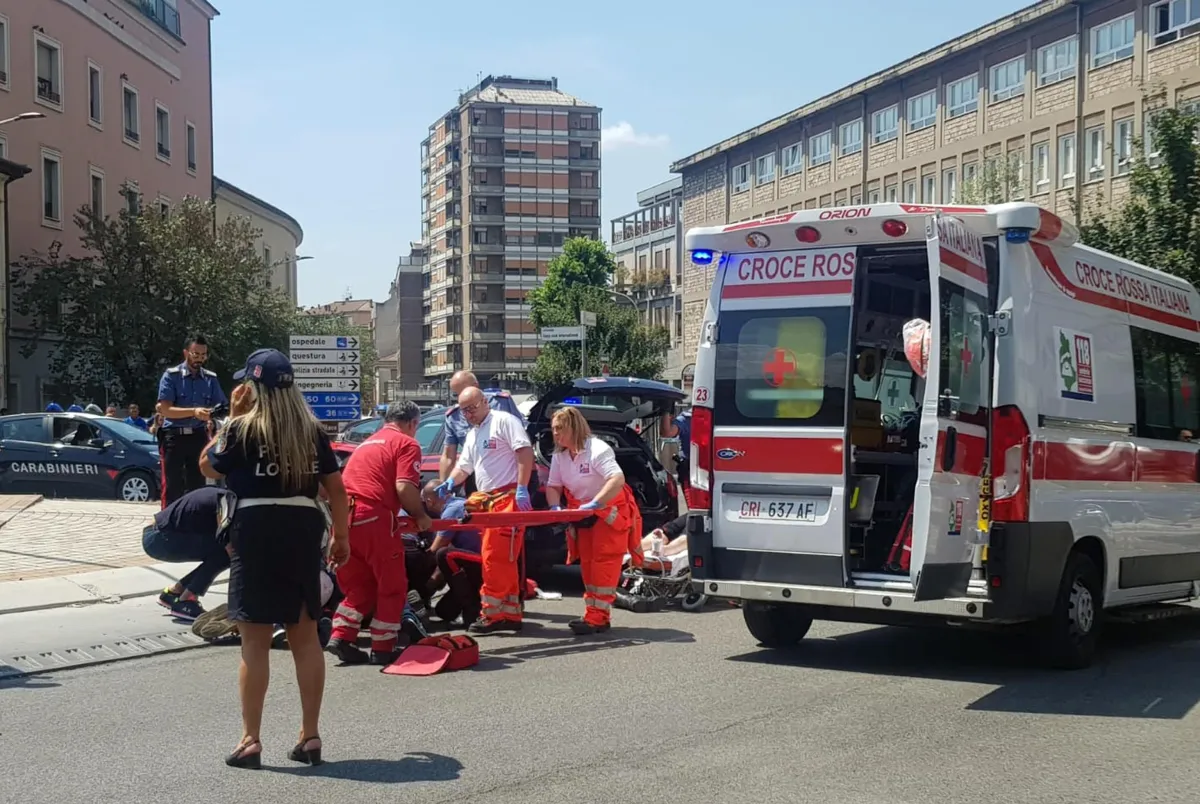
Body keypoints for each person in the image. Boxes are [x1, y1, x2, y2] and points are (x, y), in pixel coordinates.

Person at [199, 348, 349, 770]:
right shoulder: (312, 430)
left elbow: (208, 468)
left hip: (255, 529)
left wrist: (229, 417)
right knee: (304, 636)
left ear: (253, 386)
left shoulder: (241, 429)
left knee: (255, 641)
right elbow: (337, 490)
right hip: (302, 528)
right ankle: (311, 735)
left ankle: (250, 740)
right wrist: (342, 537)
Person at [327, 400, 432, 666]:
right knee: (392, 585)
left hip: (345, 519)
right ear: (412, 423)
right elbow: (404, 487)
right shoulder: (407, 444)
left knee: (360, 587)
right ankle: (383, 648)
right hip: (375, 518)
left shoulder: (367, 443)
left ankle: (341, 636)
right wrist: (420, 516)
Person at [434, 386, 533, 634]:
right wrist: (450, 482)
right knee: (503, 560)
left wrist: (522, 487)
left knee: (494, 558)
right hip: (488, 501)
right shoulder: (473, 434)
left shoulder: (504, 422)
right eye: (464, 411)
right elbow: (464, 467)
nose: (468, 414)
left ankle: (492, 614)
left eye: (471, 408)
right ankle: (509, 614)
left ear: (485, 402)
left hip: (506, 498)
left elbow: (524, 452)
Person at [544, 406, 643, 634]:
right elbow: (553, 486)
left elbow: (617, 479)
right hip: (586, 515)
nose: (556, 434)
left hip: (608, 514)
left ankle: (598, 617)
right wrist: (555, 506)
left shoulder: (597, 449)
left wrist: (596, 502)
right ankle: (595, 615)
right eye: (553, 429)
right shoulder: (560, 455)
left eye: (560, 428)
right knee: (588, 565)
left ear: (573, 427)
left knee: (603, 565)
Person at [158, 335, 228, 508]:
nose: (199, 359)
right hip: (174, 436)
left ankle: (194, 524)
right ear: (186, 353)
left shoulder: (210, 379)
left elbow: (222, 406)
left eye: (203, 355)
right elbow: (165, 409)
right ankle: (167, 525)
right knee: (172, 486)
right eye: (195, 354)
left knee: (197, 486)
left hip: (198, 436)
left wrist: (213, 416)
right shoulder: (171, 376)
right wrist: (194, 412)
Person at [146, 486, 232, 620]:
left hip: (157, 535)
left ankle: (174, 592)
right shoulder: (227, 500)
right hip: (158, 538)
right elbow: (228, 544)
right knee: (225, 554)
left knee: (221, 552)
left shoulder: (224, 495)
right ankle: (187, 600)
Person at [438, 370, 526, 482]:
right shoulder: (454, 417)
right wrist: (444, 484)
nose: (461, 397)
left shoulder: (501, 405)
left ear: (476, 387)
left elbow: (523, 444)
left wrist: (523, 484)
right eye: (456, 394)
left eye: (463, 391)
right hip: (475, 475)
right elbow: (449, 456)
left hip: (509, 476)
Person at [421, 481, 484, 626]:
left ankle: (472, 609)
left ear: (430, 501)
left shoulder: (451, 511)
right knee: (444, 611)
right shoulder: (459, 503)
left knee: (444, 555)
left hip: (479, 563)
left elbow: (435, 549)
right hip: (473, 563)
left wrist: (426, 586)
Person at [660, 403, 692, 506]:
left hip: (693, 469)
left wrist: (665, 411)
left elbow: (667, 432)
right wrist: (666, 412)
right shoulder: (686, 418)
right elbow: (667, 433)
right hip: (690, 469)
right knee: (694, 508)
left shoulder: (686, 418)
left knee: (694, 509)